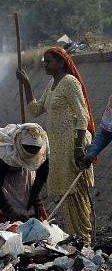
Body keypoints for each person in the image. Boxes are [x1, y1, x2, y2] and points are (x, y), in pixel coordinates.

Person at [17, 47, 94, 245]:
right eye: (44, 61)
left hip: (72, 145)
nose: (45, 64)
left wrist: (78, 148)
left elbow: (82, 115)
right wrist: (26, 84)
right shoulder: (52, 84)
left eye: (49, 61)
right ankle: (74, 237)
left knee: (75, 194)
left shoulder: (69, 82)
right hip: (58, 148)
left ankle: (84, 239)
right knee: (66, 195)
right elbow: (35, 109)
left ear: (61, 62)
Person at [0, 124, 49, 230]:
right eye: (28, 151)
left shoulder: (43, 147)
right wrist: (8, 210)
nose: (32, 152)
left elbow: (42, 174)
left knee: (29, 204)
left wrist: (35, 195)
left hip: (19, 169)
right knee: (3, 217)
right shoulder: (5, 149)